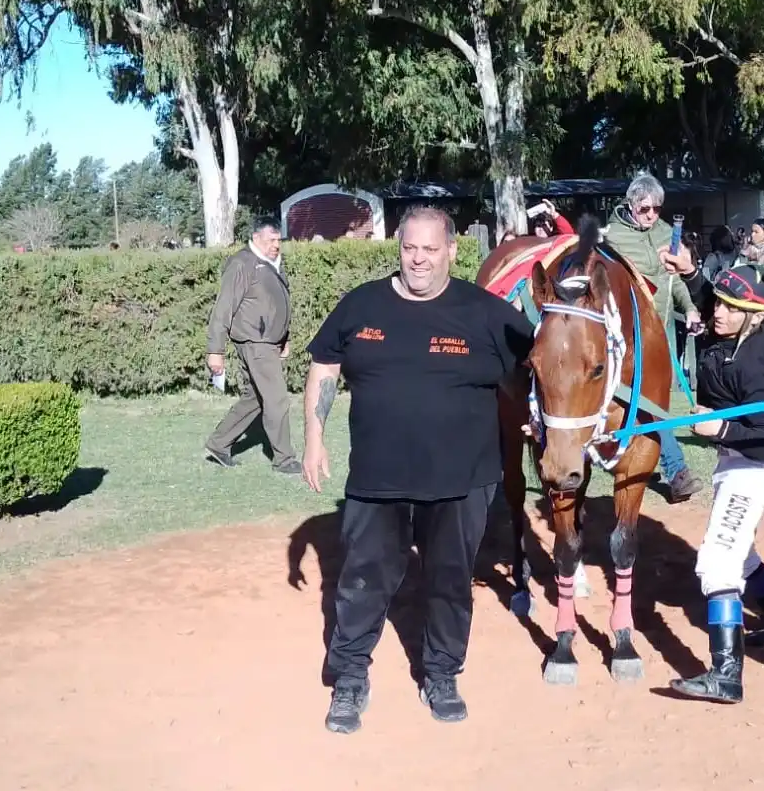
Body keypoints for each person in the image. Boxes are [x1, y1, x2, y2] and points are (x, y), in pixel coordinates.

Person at [301, 204, 535, 735]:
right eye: (410, 249)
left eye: (432, 250)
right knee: (362, 581)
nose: (420, 260)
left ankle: (442, 675)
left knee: (450, 582)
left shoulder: (486, 312)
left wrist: (539, 418)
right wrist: (315, 434)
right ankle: (350, 678)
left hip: (462, 481)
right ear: (398, 248)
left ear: (452, 250)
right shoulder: (362, 304)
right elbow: (325, 364)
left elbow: (539, 363)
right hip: (377, 481)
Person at [663, 264, 764, 704]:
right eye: (718, 304)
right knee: (740, 553)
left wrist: (719, 430)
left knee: (717, 561)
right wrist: (691, 273)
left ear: (755, 315)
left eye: (730, 307)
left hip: (754, 465)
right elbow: (711, 292)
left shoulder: (758, 358)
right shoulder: (726, 334)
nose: (718, 312)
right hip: (735, 464)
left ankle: (726, 675)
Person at [604, 172, 703, 503]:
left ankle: (649, 463)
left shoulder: (666, 234)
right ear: (632, 205)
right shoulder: (614, 238)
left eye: (657, 209)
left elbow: (676, 285)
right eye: (646, 209)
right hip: (627, 336)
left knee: (650, 403)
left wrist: (689, 309)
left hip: (661, 333)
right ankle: (677, 472)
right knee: (649, 402)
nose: (652, 215)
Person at [204, 218, 301, 475]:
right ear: (256, 238)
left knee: (255, 399)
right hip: (255, 342)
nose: (276, 245)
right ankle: (284, 459)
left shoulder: (270, 264)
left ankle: (218, 443)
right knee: (277, 400)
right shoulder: (242, 263)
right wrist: (215, 350)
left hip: (268, 341)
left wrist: (284, 337)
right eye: (271, 240)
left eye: (278, 240)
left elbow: (276, 304)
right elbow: (223, 308)